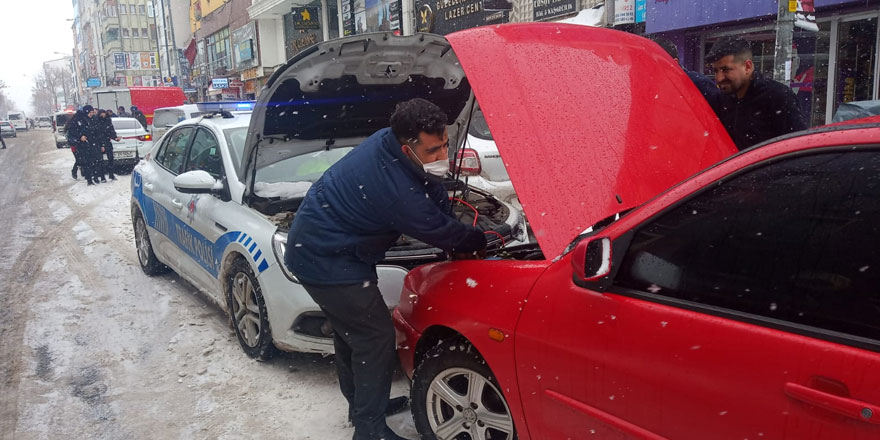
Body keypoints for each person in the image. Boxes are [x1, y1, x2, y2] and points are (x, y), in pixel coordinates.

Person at [284, 98, 487, 440]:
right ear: (407, 147)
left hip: (330, 248)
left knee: (352, 337)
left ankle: (362, 407)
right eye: (433, 150)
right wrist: (478, 239)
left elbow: (430, 187)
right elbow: (437, 229)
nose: (442, 157)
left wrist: (445, 208)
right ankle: (369, 429)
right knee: (374, 339)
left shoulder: (389, 141)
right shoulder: (393, 190)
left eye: (445, 146)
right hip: (326, 259)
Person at [706, 36, 807, 150]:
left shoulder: (778, 97)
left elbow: (798, 148)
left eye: (726, 70)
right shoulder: (721, 100)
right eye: (715, 71)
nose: (719, 78)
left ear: (748, 67)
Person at [650, 36, 720, 107]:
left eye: (656, 64)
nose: (652, 70)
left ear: (674, 63)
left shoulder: (698, 84)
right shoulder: (653, 88)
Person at [66, 106, 99, 184]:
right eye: (90, 112)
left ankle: (95, 177)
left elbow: (95, 130)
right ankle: (89, 179)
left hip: (92, 143)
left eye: (92, 112)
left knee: (94, 161)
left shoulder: (93, 119)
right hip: (81, 144)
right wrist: (80, 137)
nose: (92, 114)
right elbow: (72, 131)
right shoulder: (78, 120)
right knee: (84, 161)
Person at [95, 109, 120, 181]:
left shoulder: (108, 121)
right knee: (100, 161)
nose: (103, 115)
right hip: (99, 143)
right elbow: (97, 133)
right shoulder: (97, 122)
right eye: (102, 114)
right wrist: (101, 145)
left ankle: (111, 175)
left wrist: (115, 138)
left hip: (107, 142)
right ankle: (102, 176)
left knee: (111, 159)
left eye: (104, 114)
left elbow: (111, 131)